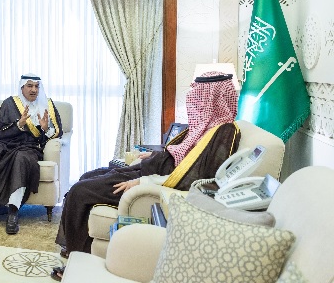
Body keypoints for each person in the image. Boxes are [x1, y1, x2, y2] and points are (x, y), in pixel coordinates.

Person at [51, 71, 240, 281]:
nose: (192, 100)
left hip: (153, 179)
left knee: (79, 191)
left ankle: (76, 263)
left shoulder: (223, 133)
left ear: (212, 97)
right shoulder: (207, 126)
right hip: (150, 168)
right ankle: (81, 253)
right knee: (88, 175)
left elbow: (196, 178)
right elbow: (182, 155)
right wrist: (155, 155)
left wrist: (143, 182)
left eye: (198, 95)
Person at [0, 73, 63, 235]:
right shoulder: (9, 103)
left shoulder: (47, 105)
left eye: (37, 86)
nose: (34, 90)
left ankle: (13, 213)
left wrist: (45, 129)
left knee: (21, 160)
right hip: (4, 144)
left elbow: (57, 133)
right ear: (22, 87)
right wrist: (19, 124)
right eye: (30, 86)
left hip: (29, 147)